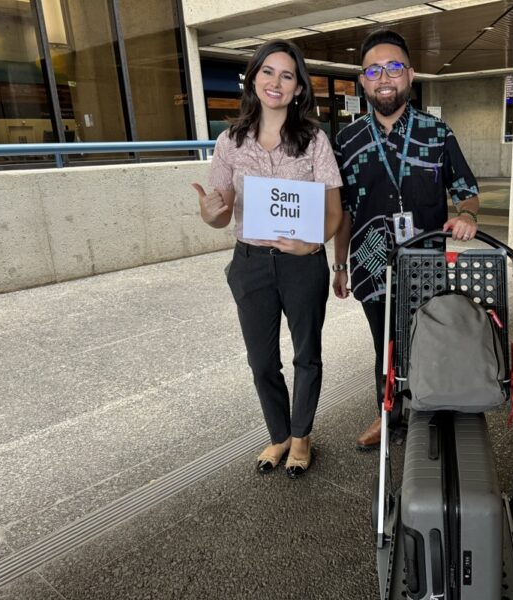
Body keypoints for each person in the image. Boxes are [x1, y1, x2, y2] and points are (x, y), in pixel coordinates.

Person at [192, 40, 343, 478]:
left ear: (298, 88)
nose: (276, 82)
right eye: (267, 72)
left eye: (287, 75)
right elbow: (221, 214)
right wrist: (210, 213)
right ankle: (279, 435)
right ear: (254, 78)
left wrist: (312, 244)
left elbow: (334, 212)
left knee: (306, 355)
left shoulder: (314, 141)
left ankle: (301, 435)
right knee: (261, 361)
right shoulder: (230, 142)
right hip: (251, 263)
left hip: (302, 263)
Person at [332, 29, 480, 450]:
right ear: (363, 81)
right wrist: (339, 264)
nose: (384, 78)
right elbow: (343, 210)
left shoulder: (437, 133)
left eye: (393, 67)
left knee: (428, 340)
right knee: (384, 345)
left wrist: (467, 215)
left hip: (425, 263)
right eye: (374, 70)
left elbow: (466, 190)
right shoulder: (346, 141)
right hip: (370, 264)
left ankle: (428, 410)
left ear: (410, 75)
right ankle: (388, 415)